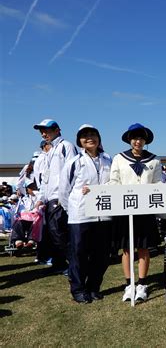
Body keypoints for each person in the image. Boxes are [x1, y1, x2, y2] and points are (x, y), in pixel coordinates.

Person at [59, 124, 113, 304]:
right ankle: (78, 289)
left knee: (102, 255)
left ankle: (94, 287)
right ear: (79, 141)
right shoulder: (74, 161)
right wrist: (73, 209)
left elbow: (114, 183)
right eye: (85, 136)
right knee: (79, 254)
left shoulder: (108, 160)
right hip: (80, 216)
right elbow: (64, 191)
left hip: (104, 214)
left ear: (99, 138)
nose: (89, 138)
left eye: (93, 134)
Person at [108, 123, 162, 302]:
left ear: (145, 140)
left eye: (140, 138)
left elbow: (157, 185)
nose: (137, 141)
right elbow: (114, 181)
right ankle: (128, 284)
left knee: (144, 248)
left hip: (146, 210)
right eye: (134, 138)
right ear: (129, 139)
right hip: (125, 209)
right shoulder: (119, 158)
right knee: (127, 248)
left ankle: (142, 284)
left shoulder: (154, 160)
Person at [33, 119, 77, 273]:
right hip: (50, 197)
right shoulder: (49, 151)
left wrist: (65, 196)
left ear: (57, 130)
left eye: (47, 130)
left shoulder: (67, 146)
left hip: (60, 196)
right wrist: (40, 198)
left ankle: (73, 264)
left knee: (58, 231)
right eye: (42, 131)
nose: (44, 134)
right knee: (52, 233)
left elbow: (73, 171)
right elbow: (46, 178)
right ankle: (59, 264)